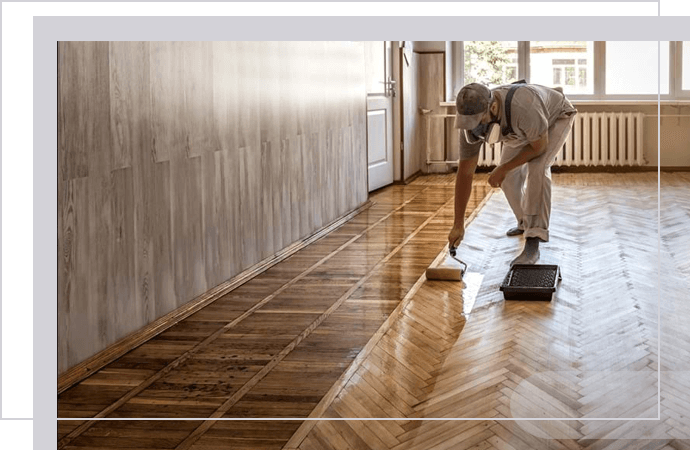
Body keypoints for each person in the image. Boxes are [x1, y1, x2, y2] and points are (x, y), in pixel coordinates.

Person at [448, 81, 577, 266]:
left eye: (479, 121)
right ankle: (524, 222)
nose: (474, 128)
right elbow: (465, 173)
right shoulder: (469, 123)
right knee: (508, 179)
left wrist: (502, 168)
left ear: (493, 107)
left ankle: (534, 240)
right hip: (520, 128)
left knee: (538, 168)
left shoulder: (524, 105)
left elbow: (538, 148)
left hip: (555, 117)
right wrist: (458, 224)